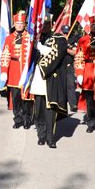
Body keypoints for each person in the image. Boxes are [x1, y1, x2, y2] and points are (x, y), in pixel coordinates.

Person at [30, 20, 68, 148]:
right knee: (39, 110)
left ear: (51, 25)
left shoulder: (58, 38)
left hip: (49, 77)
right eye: (42, 24)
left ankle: (50, 138)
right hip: (37, 78)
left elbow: (57, 53)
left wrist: (41, 47)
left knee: (50, 111)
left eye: (46, 24)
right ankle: (41, 136)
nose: (44, 27)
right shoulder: (35, 37)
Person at [0, 10, 33, 129]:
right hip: (13, 71)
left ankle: (26, 119)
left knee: (26, 98)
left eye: (21, 23)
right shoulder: (9, 38)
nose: (19, 25)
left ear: (24, 24)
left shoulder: (30, 37)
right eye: (17, 23)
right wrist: (4, 71)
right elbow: (5, 55)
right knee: (15, 98)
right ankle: (17, 119)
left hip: (25, 71)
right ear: (14, 24)